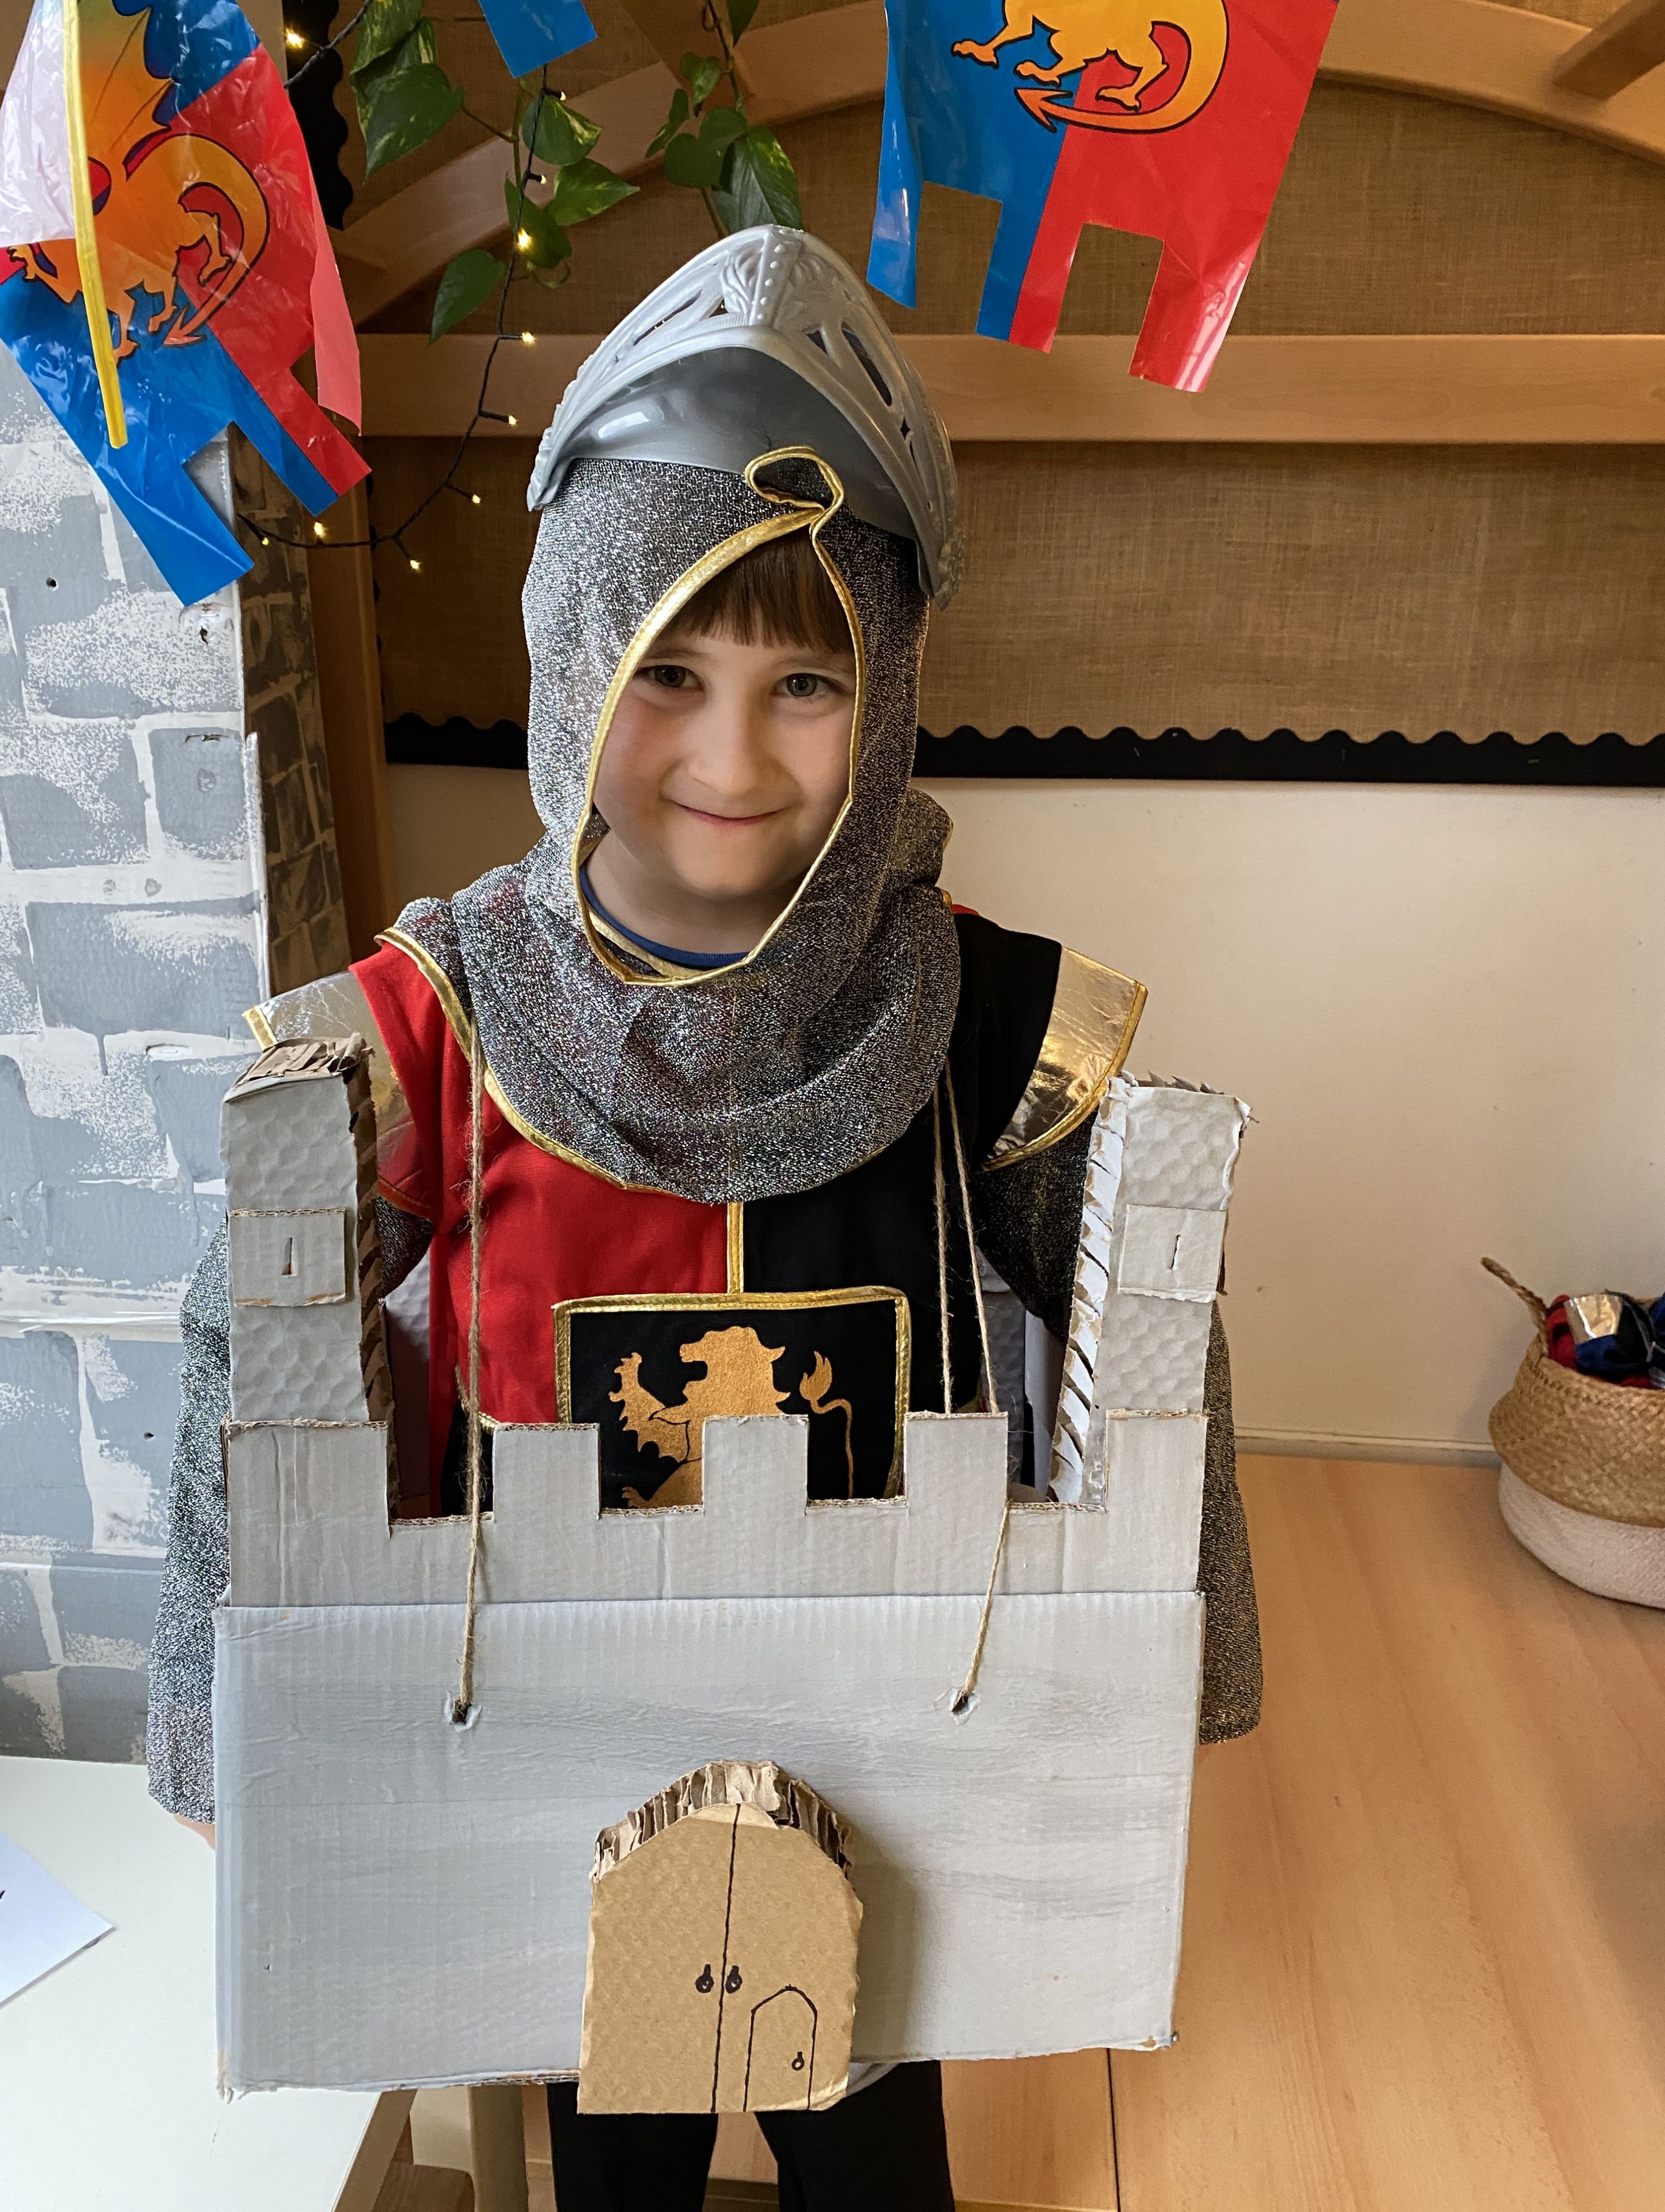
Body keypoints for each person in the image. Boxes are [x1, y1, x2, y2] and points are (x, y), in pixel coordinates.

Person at [147, 227, 1261, 2212]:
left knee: (876, 2139)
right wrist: (231, 1718)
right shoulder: (436, 1026)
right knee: (619, 2146)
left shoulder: (989, 1021)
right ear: (577, 651)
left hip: (895, 1738)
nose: (731, 760)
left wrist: (1164, 1671)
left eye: (806, 680)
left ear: (887, 692)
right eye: (667, 668)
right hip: (561, 1749)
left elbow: (1157, 1315)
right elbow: (252, 1309)